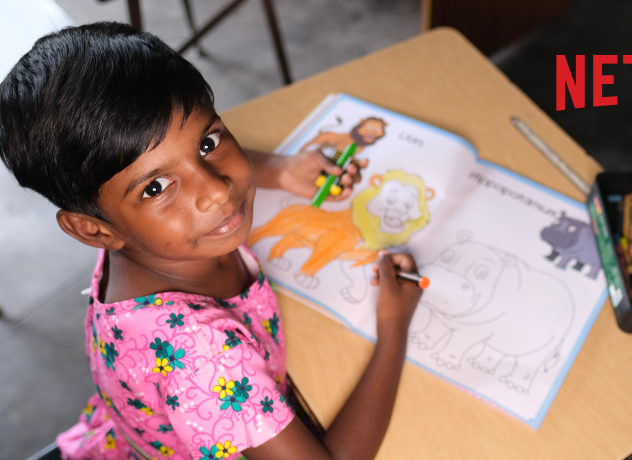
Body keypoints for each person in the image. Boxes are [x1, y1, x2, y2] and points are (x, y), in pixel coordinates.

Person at [0, 22, 422, 460]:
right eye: (156, 188)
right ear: (94, 229)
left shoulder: (142, 240)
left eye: (208, 142)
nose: (217, 191)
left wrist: (282, 169)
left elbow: (178, 158)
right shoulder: (205, 356)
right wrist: (394, 327)